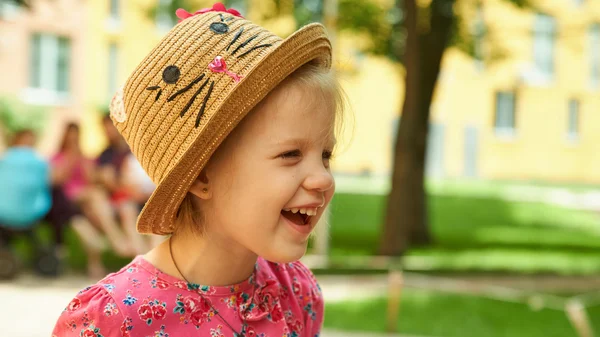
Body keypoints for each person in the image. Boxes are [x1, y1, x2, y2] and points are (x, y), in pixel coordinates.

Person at [52, 3, 344, 336]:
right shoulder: (113, 320)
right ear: (202, 175)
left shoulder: (296, 292)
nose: (324, 178)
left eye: (325, 154)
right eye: (291, 153)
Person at [50, 122, 133, 259]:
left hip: (86, 195)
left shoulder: (85, 157)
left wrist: (82, 161)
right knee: (96, 195)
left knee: (93, 208)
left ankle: (107, 251)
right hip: (68, 195)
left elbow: (90, 179)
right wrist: (71, 158)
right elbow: (58, 179)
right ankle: (116, 239)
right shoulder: (57, 157)